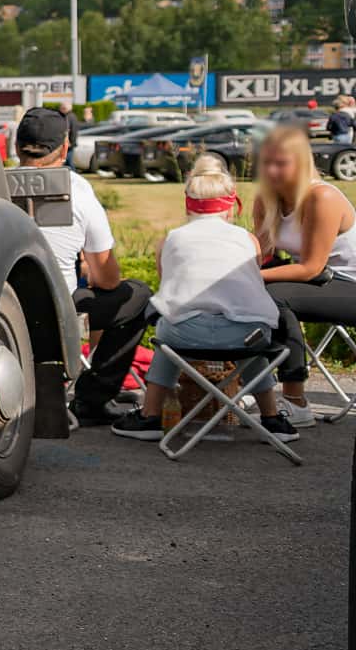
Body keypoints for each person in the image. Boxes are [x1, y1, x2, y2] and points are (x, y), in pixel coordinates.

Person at [112, 156, 293, 442]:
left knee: (167, 329)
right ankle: (272, 420)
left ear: (188, 203)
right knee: (252, 338)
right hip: (244, 337)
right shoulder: (248, 239)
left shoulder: (171, 239)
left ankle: (150, 416)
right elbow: (252, 284)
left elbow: (168, 287)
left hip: (186, 337)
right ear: (231, 205)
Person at [15, 107, 149, 423]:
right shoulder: (79, 190)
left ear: (16, 147)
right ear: (65, 148)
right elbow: (108, 279)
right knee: (137, 295)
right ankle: (91, 399)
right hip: (57, 315)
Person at [252, 123, 356, 431]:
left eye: (281, 163)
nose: (271, 170)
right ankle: (249, 384)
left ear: (302, 162)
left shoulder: (321, 197)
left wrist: (254, 277)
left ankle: (296, 400)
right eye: (266, 162)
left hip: (347, 283)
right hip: (317, 281)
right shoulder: (266, 199)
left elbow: (310, 267)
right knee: (241, 290)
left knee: (275, 296)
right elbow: (262, 253)